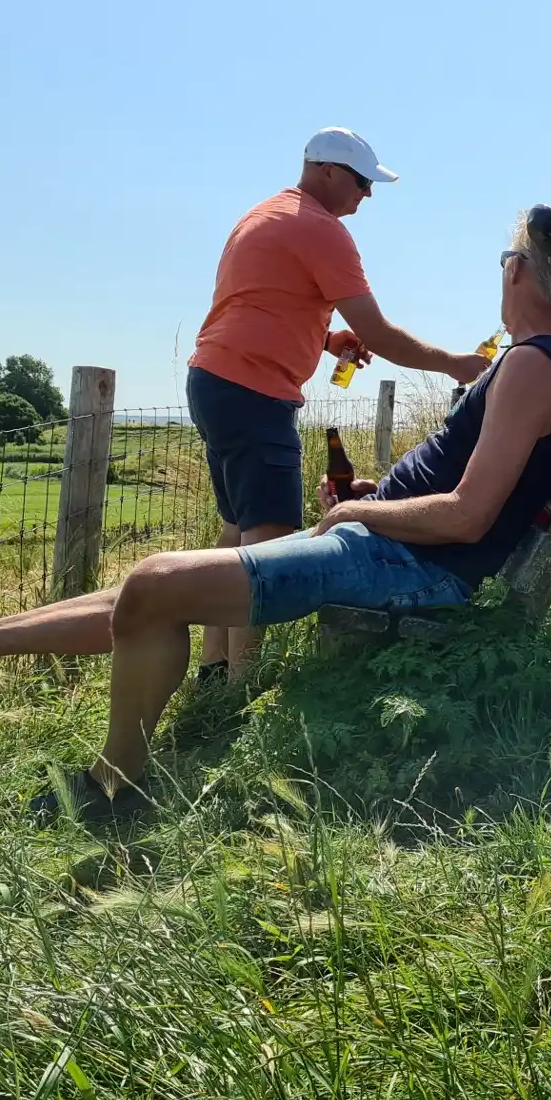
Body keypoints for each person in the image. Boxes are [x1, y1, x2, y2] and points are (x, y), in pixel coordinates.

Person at [0, 208, 551, 826]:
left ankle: (113, 786)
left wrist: (364, 514)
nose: (503, 270)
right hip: (382, 545)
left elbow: (466, 517)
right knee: (149, 593)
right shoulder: (536, 363)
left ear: (524, 272)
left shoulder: (533, 365)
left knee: (154, 584)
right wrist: (367, 505)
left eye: (506, 258)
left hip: (406, 567)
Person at [185, 127, 491, 683]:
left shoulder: (262, 215)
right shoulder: (322, 230)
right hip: (255, 392)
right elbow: (380, 332)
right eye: (362, 181)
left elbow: (257, 302)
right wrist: (456, 364)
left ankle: (214, 671)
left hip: (215, 381)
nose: (367, 195)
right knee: (269, 541)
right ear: (327, 171)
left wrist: (325, 340)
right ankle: (243, 685)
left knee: (236, 529)